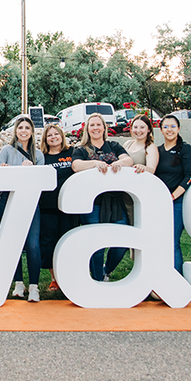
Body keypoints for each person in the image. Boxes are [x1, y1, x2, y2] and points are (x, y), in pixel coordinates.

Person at [71, 113, 134, 282]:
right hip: (92, 203)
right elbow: (76, 165)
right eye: (92, 125)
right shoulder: (81, 149)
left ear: (104, 128)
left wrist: (119, 163)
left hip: (114, 200)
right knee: (95, 243)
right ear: (87, 129)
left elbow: (129, 160)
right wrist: (95, 163)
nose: (96, 128)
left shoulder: (114, 146)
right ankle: (97, 279)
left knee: (122, 241)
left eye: (99, 125)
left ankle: (106, 270)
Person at [0, 115, 45, 302]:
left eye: (27, 128)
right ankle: (18, 283)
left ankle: (34, 286)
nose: (23, 131)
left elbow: (42, 181)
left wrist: (31, 169)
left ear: (32, 132)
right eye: (20, 127)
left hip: (30, 202)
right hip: (8, 200)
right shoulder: (7, 150)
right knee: (12, 243)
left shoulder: (38, 155)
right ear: (16, 131)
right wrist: (3, 168)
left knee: (32, 245)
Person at [155, 114, 191, 274]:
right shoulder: (157, 151)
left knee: (172, 241)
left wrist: (172, 196)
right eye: (166, 126)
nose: (169, 130)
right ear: (161, 130)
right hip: (159, 203)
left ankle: (177, 279)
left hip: (176, 203)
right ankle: (162, 276)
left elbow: (189, 176)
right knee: (159, 241)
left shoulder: (186, 149)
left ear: (178, 128)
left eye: (173, 126)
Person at [39, 123, 77, 291]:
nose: (53, 137)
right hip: (48, 206)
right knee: (49, 243)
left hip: (70, 206)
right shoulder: (42, 157)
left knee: (70, 240)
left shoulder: (72, 153)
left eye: (56, 134)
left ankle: (70, 275)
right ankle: (54, 278)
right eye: (49, 135)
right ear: (45, 139)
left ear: (62, 136)